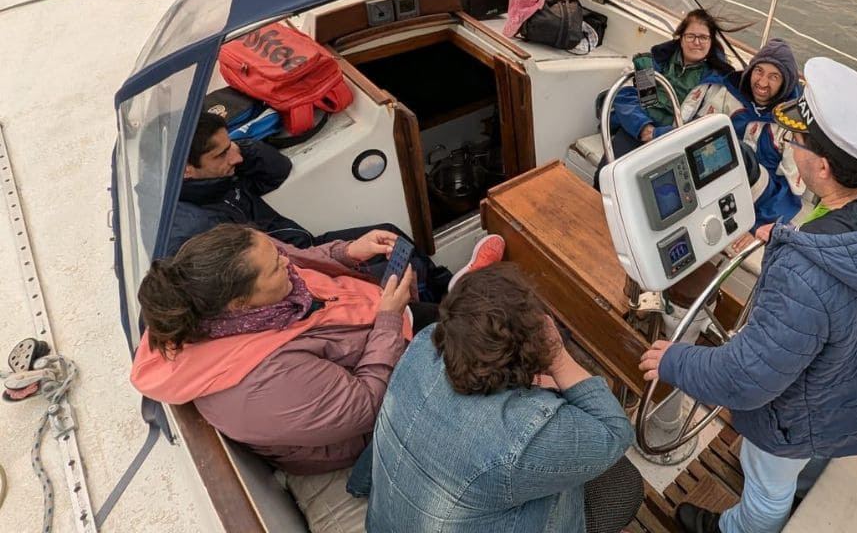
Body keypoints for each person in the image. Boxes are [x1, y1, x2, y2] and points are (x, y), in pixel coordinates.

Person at [639, 58, 857, 533]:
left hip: (805, 416)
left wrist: (674, 361)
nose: (790, 143)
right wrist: (790, 231)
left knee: (767, 491)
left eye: (795, 140)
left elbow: (746, 378)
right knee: (811, 462)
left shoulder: (806, 272)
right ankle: (803, 488)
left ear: (822, 166)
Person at [130, 224, 420, 533]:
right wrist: (389, 318)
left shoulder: (245, 278)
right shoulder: (258, 384)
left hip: (383, 325)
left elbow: (297, 259)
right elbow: (366, 405)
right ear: (240, 304)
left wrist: (345, 253)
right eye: (275, 267)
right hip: (374, 406)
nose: (285, 261)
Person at [361, 262, 641, 533]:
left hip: (383, 523)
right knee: (624, 484)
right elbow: (616, 431)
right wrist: (557, 355)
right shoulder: (523, 438)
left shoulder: (423, 344)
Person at [172, 111, 452, 299]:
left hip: (303, 245)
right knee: (401, 271)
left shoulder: (215, 180)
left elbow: (276, 170)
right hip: (293, 273)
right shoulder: (197, 229)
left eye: (231, 145)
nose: (236, 158)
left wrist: (233, 148)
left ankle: (447, 286)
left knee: (389, 233)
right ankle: (435, 311)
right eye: (222, 153)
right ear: (186, 170)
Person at [680, 38, 803, 248]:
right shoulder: (723, 92)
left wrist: (756, 224)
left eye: (774, 77)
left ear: (786, 82)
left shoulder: (793, 123)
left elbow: (791, 190)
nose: (763, 83)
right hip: (708, 181)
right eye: (759, 72)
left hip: (757, 196)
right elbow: (686, 133)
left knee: (740, 152)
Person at [594, 9, 741, 186]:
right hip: (636, 129)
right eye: (690, 36)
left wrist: (657, 134)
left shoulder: (717, 83)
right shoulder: (656, 62)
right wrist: (643, 129)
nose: (696, 42)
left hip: (672, 144)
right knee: (605, 179)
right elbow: (626, 96)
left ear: (711, 41)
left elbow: (702, 129)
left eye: (703, 37)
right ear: (680, 37)